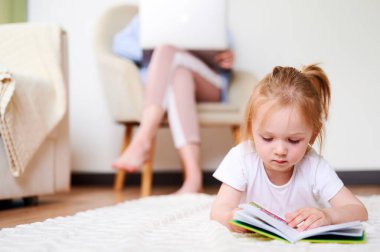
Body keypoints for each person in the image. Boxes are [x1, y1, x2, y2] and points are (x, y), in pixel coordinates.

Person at [210, 64, 368, 232]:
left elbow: (359, 210)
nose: (280, 150)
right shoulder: (242, 158)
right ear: (250, 129)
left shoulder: (313, 166)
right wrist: (230, 219)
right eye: (267, 138)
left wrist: (328, 216)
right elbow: (218, 210)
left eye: (293, 140)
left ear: (312, 135)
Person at [111, 15, 234, 194]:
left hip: (209, 83)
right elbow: (119, 44)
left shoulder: (206, 12)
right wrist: (153, 53)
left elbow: (224, 44)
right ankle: (193, 180)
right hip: (173, 82)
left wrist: (227, 57)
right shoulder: (151, 14)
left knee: (167, 51)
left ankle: (143, 139)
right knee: (178, 73)